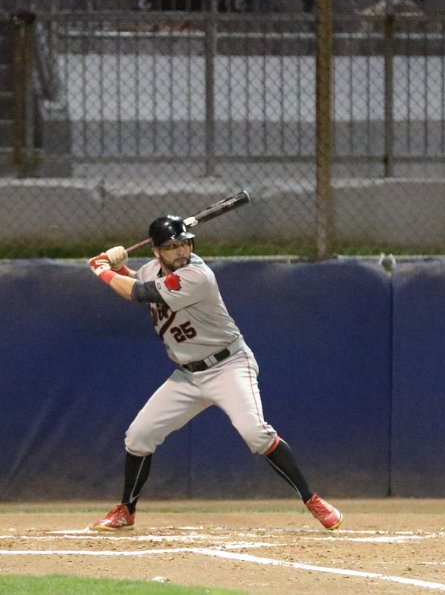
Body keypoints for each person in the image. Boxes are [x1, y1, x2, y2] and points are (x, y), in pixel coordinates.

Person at [86, 215, 343, 531]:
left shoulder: (197, 275)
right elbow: (140, 283)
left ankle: (312, 499)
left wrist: (102, 269)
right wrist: (119, 268)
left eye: (185, 244)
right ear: (156, 251)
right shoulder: (151, 270)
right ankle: (126, 510)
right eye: (172, 247)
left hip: (228, 365)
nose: (181, 251)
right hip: (188, 375)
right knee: (139, 436)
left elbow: (139, 293)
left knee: (255, 433)